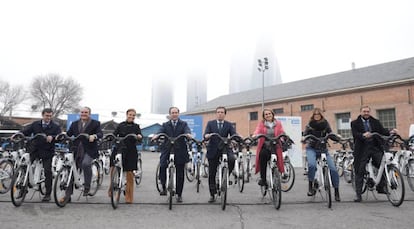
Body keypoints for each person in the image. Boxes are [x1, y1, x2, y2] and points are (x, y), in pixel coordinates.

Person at [351, 105, 397, 202]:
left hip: (374, 147)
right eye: (364, 111)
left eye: (367, 111)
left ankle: (381, 187)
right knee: (360, 169)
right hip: (362, 149)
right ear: (361, 112)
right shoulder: (355, 123)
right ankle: (358, 194)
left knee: (383, 164)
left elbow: (382, 131)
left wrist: (391, 131)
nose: (366, 113)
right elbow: (355, 134)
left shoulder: (375, 122)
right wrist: (363, 135)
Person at [16, 108, 61, 202]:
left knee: (48, 171)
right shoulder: (35, 124)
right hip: (35, 149)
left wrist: (52, 137)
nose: (48, 117)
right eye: (46, 115)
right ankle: (23, 188)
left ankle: (48, 194)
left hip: (47, 151)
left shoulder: (55, 126)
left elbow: (59, 137)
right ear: (42, 115)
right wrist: (18, 134)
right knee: (25, 166)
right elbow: (26, 131)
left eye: (50, 116)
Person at [62, 106, 103, 202]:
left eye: (86, 112)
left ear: (89, 114)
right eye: (82, 112)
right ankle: (67, 196)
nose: (84, 114)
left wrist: (94, 136)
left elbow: (100, 133)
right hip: (76, 149)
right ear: (80, 113)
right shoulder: (75, 124)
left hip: (89, 149)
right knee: (71, 170)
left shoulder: (95, 123)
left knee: (85, 164)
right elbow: (69, 134)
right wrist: (63, 136)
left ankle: (87, 186)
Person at [153, 107, 191, 203]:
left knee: (180, 173)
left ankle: (179, 194)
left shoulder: (183, 124)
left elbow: (187, 130)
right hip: (167, 148)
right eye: (172, 113)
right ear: (170, 114)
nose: (174, 114)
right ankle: (164, 186)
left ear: (178, 114)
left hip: (180, 149)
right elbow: (160, 130)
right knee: (162, 165)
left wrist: (188, 134)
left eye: (176, 112)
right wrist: (156, 135)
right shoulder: (165, 125)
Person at [303, 108, 341, 201]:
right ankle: (310, 186)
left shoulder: (325, 124)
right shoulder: (309, 124)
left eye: (318, 114)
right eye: (315, 114)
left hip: (323, 149)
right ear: (313, 115)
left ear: (321, 115)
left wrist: (337, 139)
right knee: (312, 165)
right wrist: (305, 138)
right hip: (312, 148)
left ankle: (336, 191)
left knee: (333, 169)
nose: (317, 115)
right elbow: (305, 135)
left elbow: (330, 133)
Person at [204, 106, 237, 203]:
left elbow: (233, 134)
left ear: (225, 114)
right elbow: (205, 135)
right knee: (212, 172)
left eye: (222, 112)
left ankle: (225, 176)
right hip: (213, 149)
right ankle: (212, 194)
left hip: (225, 148)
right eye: (218, 112)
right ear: (216, 113)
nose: (220, 114)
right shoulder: (210, 123)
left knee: (232, 159)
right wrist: (207, 135)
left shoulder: (229, 124)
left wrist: (235, 139)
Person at [108, 108, 142, 204]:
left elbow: (140, 137)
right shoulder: (121, 125)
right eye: (130, 114)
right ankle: (112, 190)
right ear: (127, 115)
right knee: (113, 168)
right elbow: (114, 134)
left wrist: (139, 136)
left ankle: (129, 196)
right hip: (119, 148)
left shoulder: (136, 126)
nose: (131, 116)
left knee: (130, 173)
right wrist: (111, 137)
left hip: (131, 150)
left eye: (133, 115)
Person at [252, 108, 285, 188]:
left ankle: (276, 175)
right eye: (266, 114)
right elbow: (258, 131)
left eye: (269, 113)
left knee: (278, 160)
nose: (268, 115)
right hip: (266, 145)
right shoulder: (262, 124)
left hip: (275, 145)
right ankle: (263, 179)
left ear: (272, 114)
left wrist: (283, 137)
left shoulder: (278, 123)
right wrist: (255, 135)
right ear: (264, 116)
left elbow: (281, 131)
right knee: (262, 156)